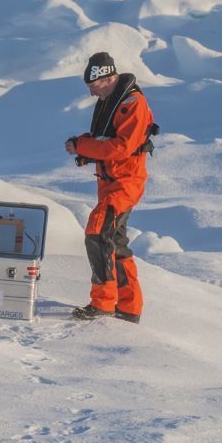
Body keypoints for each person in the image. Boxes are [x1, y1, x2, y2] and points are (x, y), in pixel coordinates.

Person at [64, 52, 156, 323]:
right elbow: (107, 139)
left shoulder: (133, 103)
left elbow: (122, 147)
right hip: (109, 183)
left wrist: (83, 146)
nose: (92, 93)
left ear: (109, 78)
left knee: (97, 232)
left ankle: (102, 302)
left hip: (125, 183)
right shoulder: (110, 101)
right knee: (115, 243)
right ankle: (129, 307)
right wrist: (85, 151)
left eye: (94, 86)